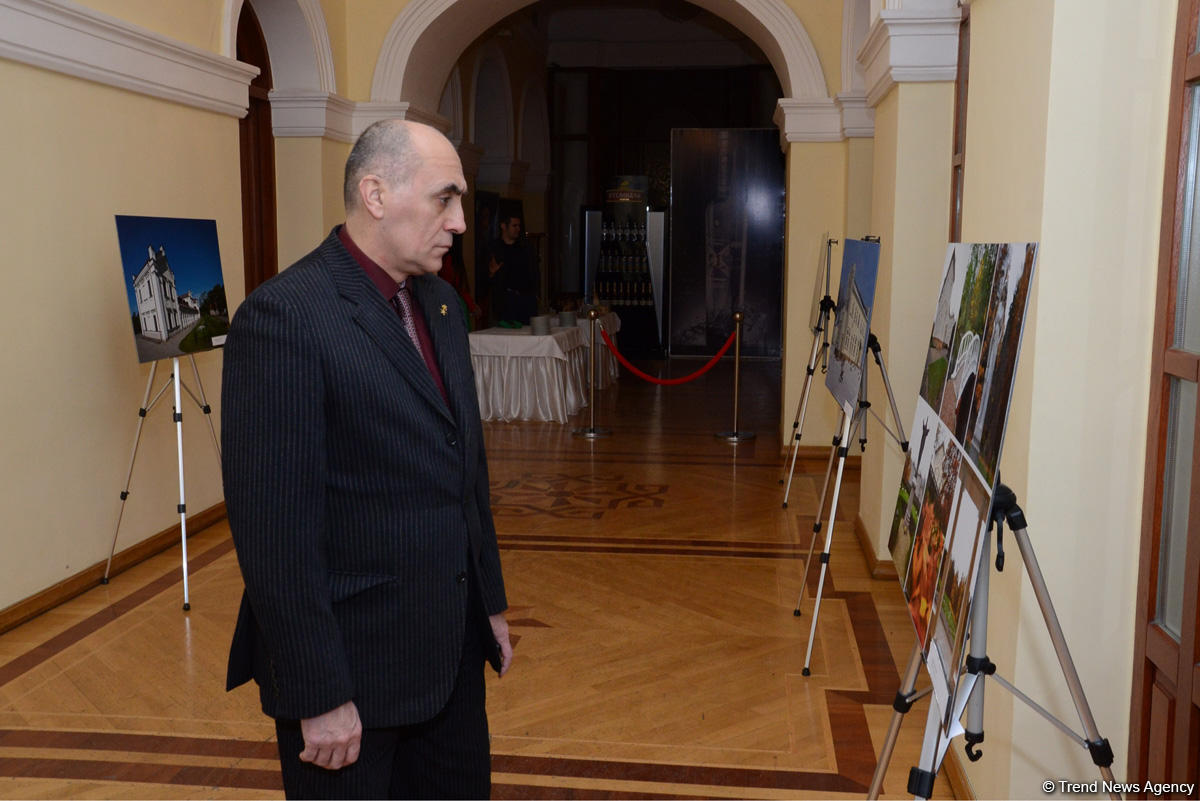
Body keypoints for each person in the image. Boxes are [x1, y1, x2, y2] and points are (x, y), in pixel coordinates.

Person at [221, 119, 513, 800]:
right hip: (351, 680)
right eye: (445, 198)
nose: (462, 221)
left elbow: (465, 472)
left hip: (450, 659)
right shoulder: (285, 319)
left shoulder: (441, 304)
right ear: (375, 194)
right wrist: (317, 692)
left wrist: (489, 604)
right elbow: (275, 535)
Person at [487, 213, 538, 324]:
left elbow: (533, 273)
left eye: (519, 226)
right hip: (505, 302)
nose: (518, 229)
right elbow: (485, 277)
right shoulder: (494, 248)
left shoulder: (525, 248)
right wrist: (492, 274)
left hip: (525, 301)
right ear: (503, 226)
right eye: (514, 226)